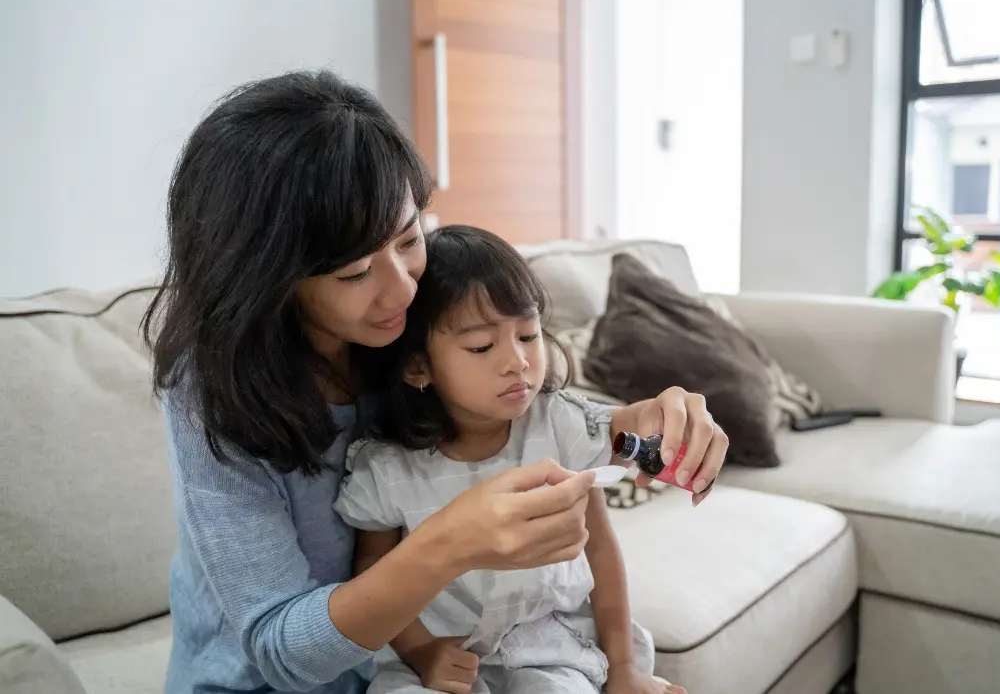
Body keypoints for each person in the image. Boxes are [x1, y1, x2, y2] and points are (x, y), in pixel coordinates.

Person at [143, 70, 728, 693]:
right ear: (268, 280)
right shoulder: (210, 392)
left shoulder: (403, 327)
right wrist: (452, 542)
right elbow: (281, 654)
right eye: (355, 272)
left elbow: (556, 420)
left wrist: (650, 424)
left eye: (409, 239)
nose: (402, 288)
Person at [335, 225, 686, 694]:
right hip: (438, 655)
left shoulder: (558, 427)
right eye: (482, 346)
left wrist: (624, 668)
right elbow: (371, 570)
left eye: (528, 334)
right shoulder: (386, 467)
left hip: (548, 649)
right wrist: (421, 653)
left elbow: (598, 549)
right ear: (418, 367)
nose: (517, 361)